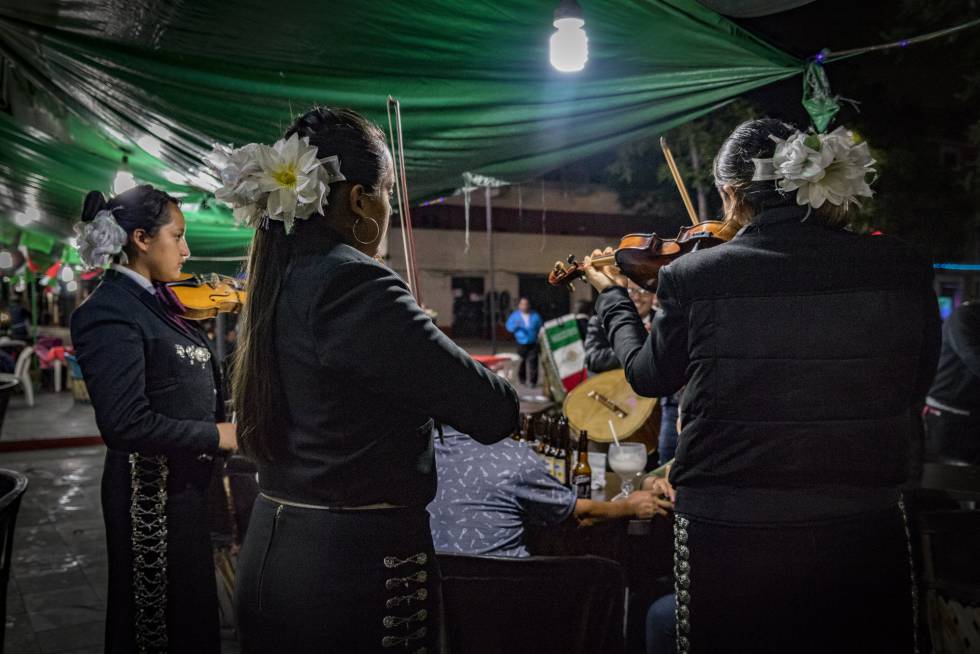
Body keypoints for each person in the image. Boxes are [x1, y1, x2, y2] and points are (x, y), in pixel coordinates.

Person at [583, 119, 940, 654]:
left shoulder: (694, 276)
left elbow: (647, 375)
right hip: (863, 520)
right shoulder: (903, 266)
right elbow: (916, 384)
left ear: (731, 194)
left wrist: (613, 298)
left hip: (731, 527)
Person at [226, 107, 519, 653]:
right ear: (359, 199)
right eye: (387, 192)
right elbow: (495, 411)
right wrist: (428, 345)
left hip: (276, 551)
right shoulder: (356, 283)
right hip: (350, 574)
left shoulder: (280, 275)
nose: (389, 207)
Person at [70, 185, 238, 653]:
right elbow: (125, 424)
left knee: (194, 618)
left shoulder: (165, 303)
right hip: (150, 500)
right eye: (178, 237)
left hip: (187, 490)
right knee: (156, 626)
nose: (186, 251)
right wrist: (217, 433)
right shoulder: (108, 312)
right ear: (141, 238)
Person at [429, 426, 673, 557]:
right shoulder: (513, 457)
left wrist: (648, 480)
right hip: (505, 591)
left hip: (437, 596)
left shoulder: (422, 456)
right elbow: (579, 514)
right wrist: (629, 506)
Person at [924, 301, 980, 464]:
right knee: (951, 477)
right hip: (949, 414)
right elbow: (974, 358)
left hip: (971, 413)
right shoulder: (966, 317)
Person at [505, 297, 543, 386]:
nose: (524, 306)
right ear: (519, 306)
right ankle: (522, 380)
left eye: (526, 304)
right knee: (521, 361)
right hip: (521, 342)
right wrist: (515, 326)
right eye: (522, 304)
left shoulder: (535, 315)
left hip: (533, 342)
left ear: (529, 305)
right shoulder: (515, 316)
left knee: (533, 362)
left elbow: (540, 326)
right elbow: (509, 327)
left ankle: (533, 381)